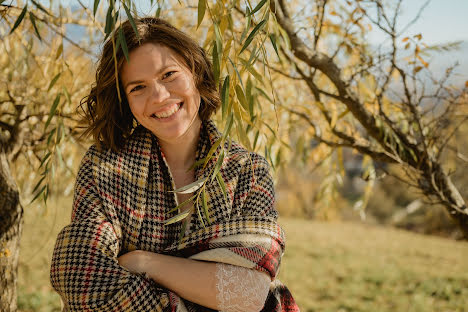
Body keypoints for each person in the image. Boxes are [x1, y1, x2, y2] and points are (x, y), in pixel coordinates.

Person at [50, 17, 299, 312]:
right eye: (138, 87)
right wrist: (204, 288)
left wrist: (144, 262)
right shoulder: (104, 168)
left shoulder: (248, 170)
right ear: (124, 101)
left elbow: (248, 295)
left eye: (169, 74)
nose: (159, 96)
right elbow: (84, 283)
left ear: (195, 71)